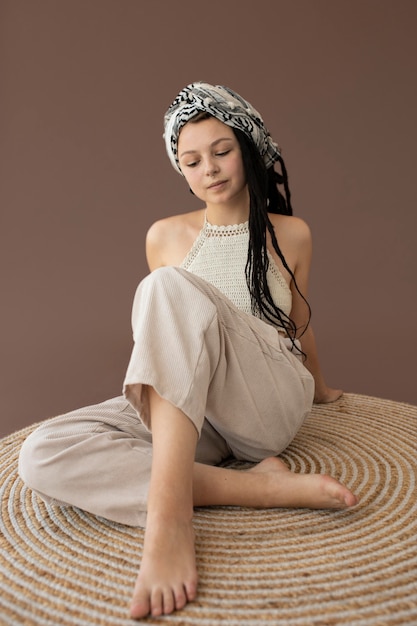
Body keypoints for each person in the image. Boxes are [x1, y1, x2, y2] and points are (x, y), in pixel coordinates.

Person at [18, 82, 358, 620]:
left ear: (248, 148)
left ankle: (169, 518)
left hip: (264, 398)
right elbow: (170, 336)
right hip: (202, 415)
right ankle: (257, 488)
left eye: (222, 152)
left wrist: (319, 389)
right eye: (191, 160)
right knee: (41, 453)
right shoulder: (164, 235)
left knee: (164, 288)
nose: (210, 169)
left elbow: (298, 323)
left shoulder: (290, 234)